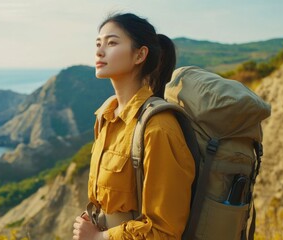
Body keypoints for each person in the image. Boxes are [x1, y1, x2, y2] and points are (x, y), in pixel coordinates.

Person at [72, 13, 195, 240]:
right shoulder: (106, 117)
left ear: (140, 54)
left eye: (112, 43)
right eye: (98, 44)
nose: (99, 51)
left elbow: (164, 230)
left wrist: (99, 238)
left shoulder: (157, 127)